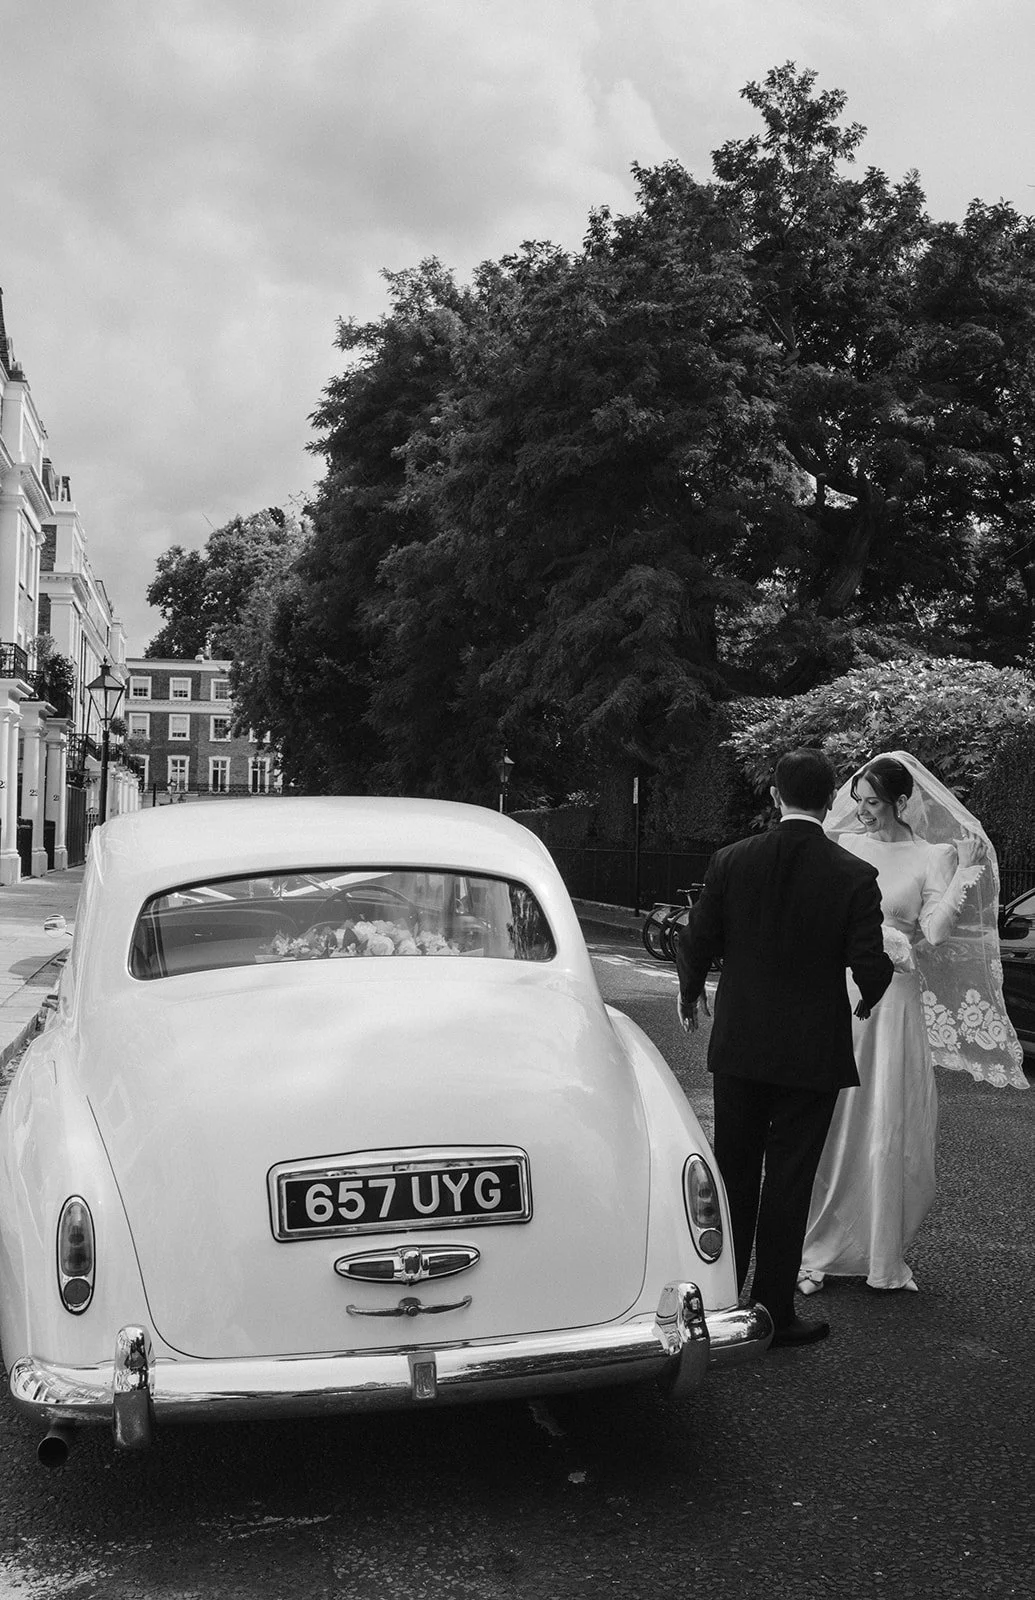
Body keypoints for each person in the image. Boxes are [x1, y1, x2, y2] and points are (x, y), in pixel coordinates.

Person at [676, 748, 894, 1347]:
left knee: (734, 1171)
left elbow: (697, 938)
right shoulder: (853, 875)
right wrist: (867, 999)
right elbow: (870, 964)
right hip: (810, 1051)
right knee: (791, 1178)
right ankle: (773, 1310)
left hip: (743, 1043)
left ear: (775, 794)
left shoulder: (731, 860)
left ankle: (721, 1303)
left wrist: (691, 992)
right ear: (830, 802)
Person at [798, 751, 1027, 1297]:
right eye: (858, 802)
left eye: (873, 802)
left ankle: (881, 1254)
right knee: (832, 1119)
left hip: (896, 1001)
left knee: (886, 1124)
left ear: (902, 802)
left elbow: (935, 932)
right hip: (843, 991)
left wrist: (964, 874)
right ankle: (817, 1249)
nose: (864, 812)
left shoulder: (932, 856)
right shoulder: (844, 846)